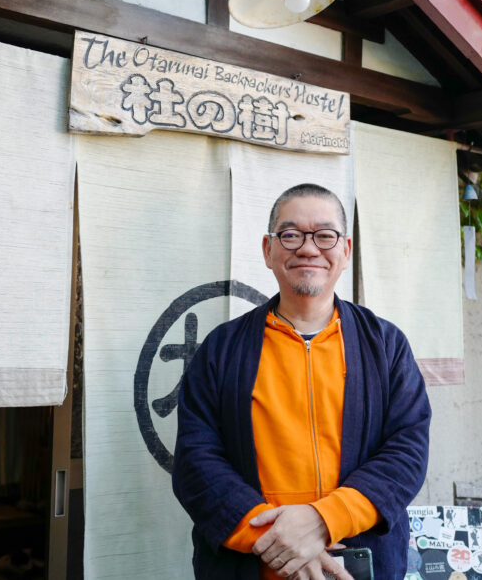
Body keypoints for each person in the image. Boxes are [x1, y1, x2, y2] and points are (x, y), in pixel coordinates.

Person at [173, 183, 431, 580]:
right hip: (250, 565)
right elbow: (196, 462)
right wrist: (279, 541)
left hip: (359, 564)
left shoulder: (386, 345)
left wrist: (324, 520)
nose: (308, 249)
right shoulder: (221, 349)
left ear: (345, 251)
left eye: (325, 236)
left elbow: (407, 452)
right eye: (290, 235)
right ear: (268, 250)